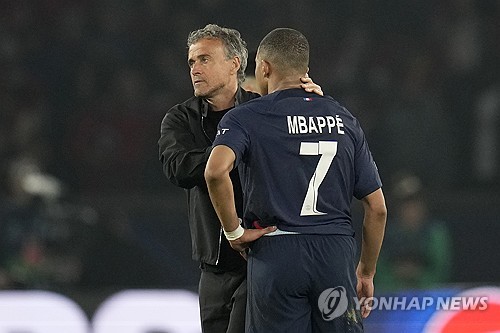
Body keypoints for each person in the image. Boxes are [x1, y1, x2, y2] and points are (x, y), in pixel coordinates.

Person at [205, 28, 387, 332]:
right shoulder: (344, 119)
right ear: (306, 71)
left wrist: (233, 231)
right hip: (334, 253)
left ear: (264, 68)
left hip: (277, 252)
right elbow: (377, 208)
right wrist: (366, 272)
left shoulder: (246, 117)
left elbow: (214, 171)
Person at [158, 24, 322, 333]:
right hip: (213, 268)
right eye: (192, 61)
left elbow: (301, 152)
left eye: (204, 59)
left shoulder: (265, 110)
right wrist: (235, 149)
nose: (195, 68)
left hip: (261, 260)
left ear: (235, 63)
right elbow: (178, 168)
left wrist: (311, 108)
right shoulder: (181, 118)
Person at [376, 173, 452, 291]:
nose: (411, 209)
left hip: (430, 298)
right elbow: (375, 272)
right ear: (396, 207)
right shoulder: (383, 233)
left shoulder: (436, 233)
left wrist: (417, 275)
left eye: (415, 203)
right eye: (405, 204)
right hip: (390, 301)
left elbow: (442, 271)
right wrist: (398, 279)